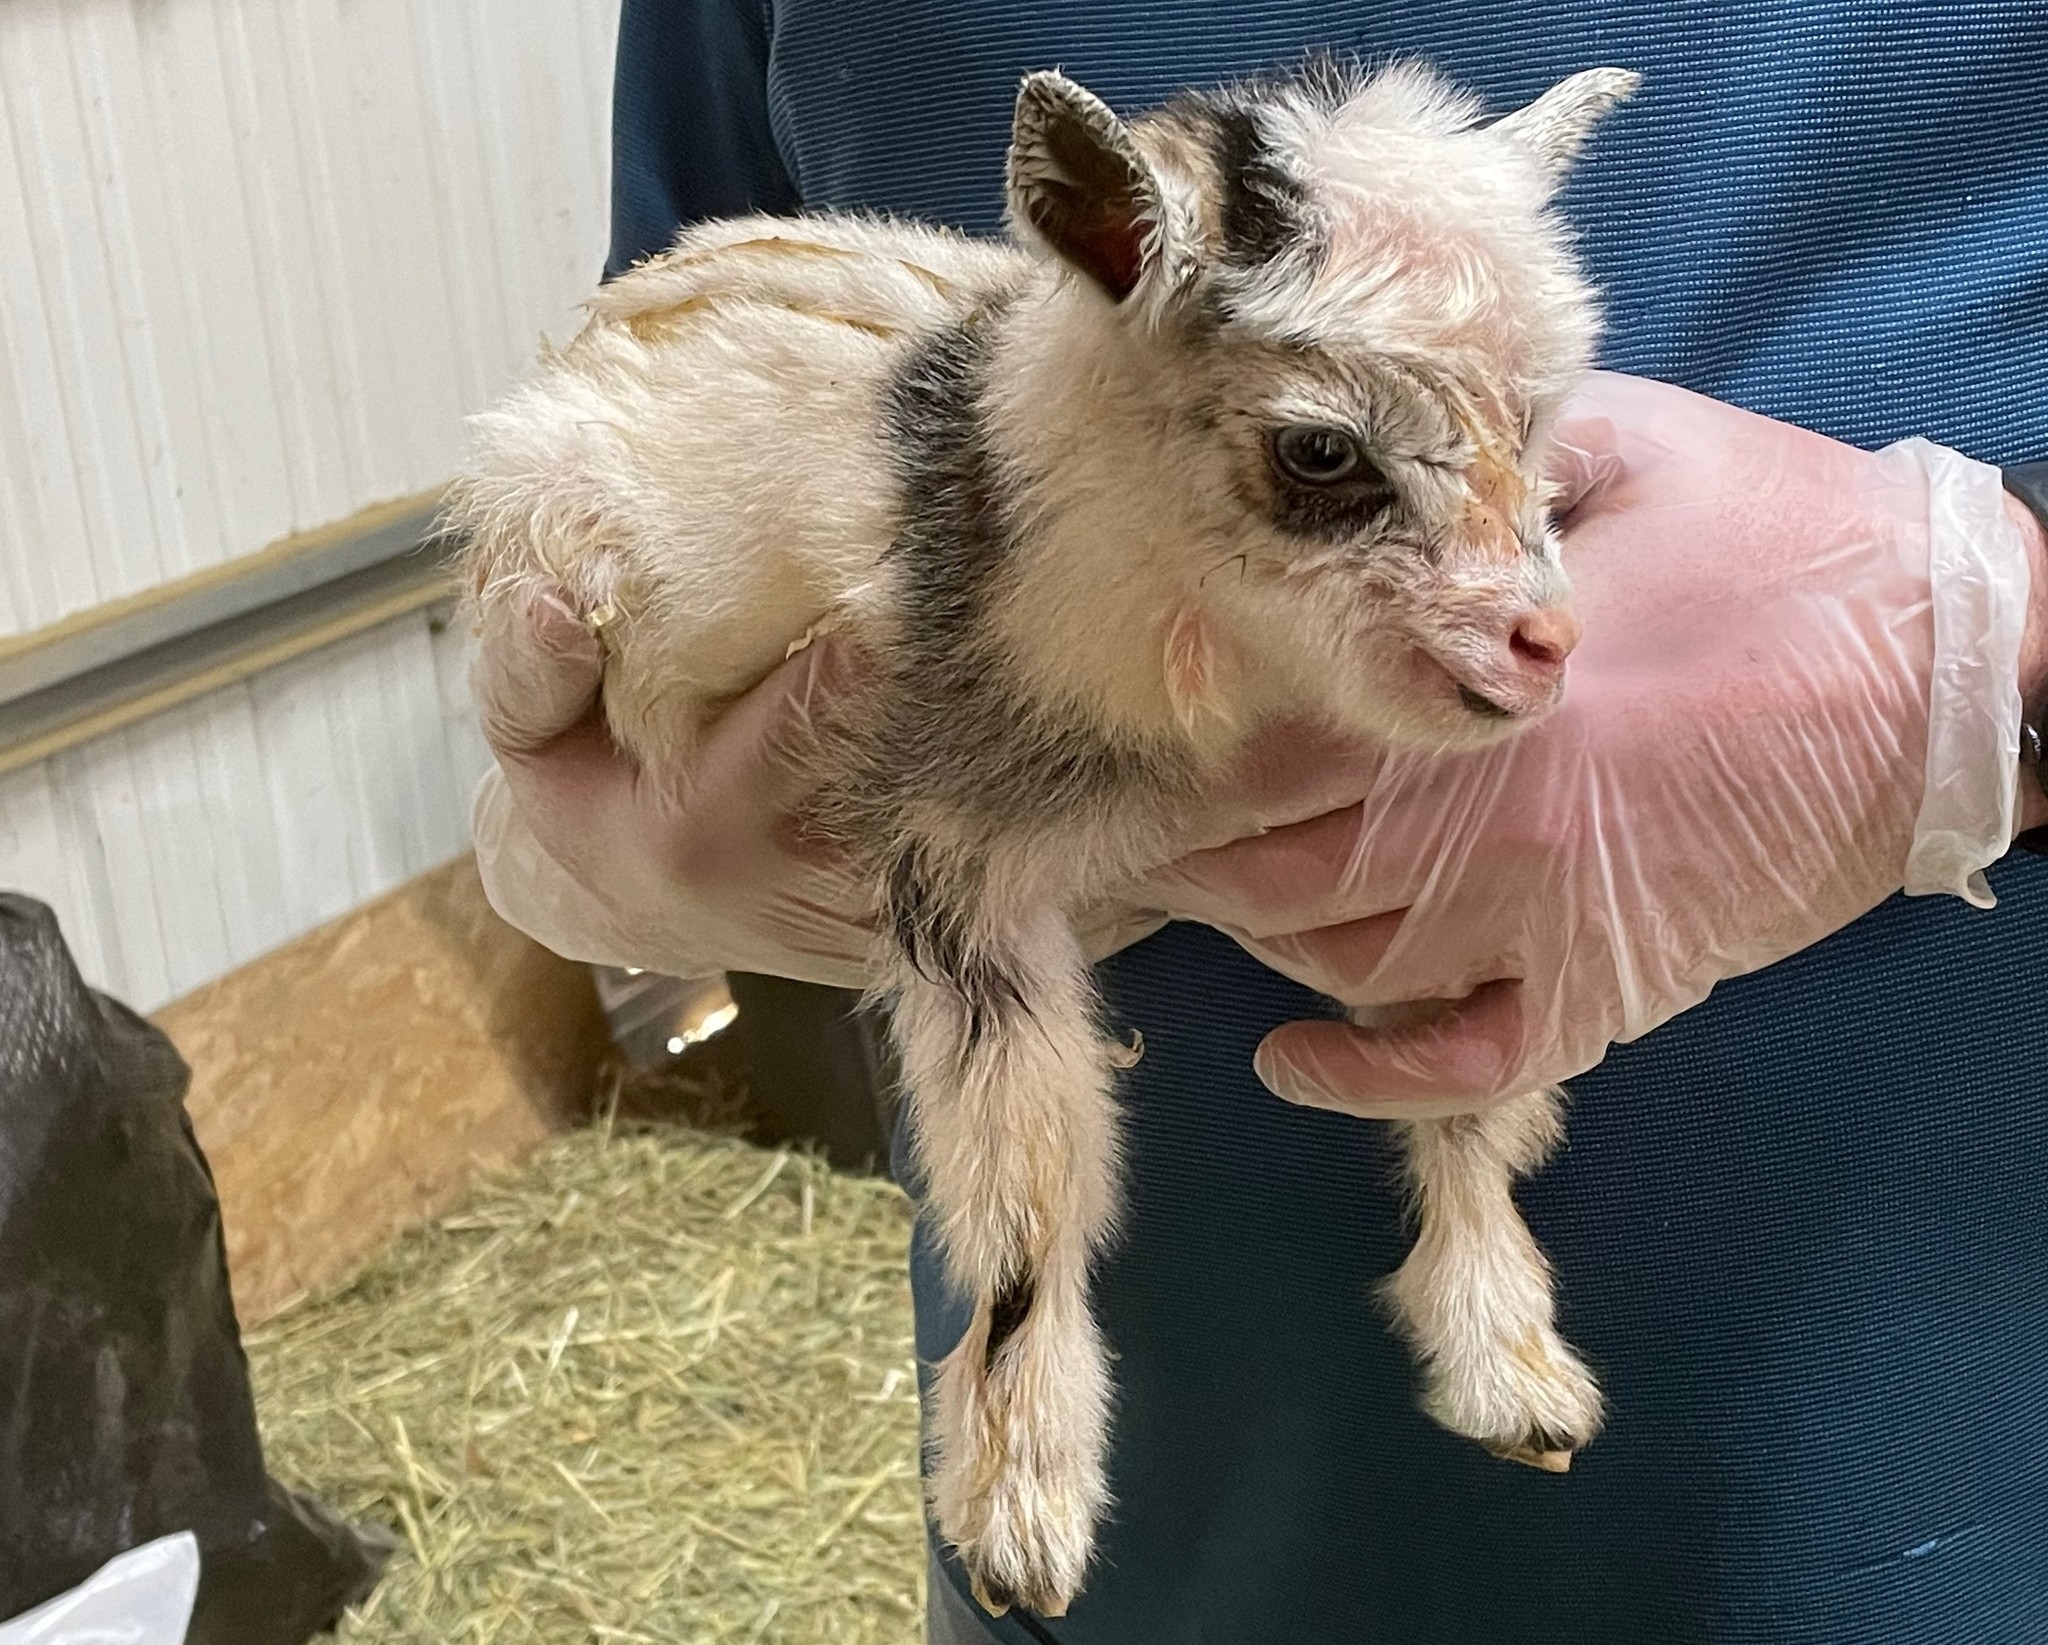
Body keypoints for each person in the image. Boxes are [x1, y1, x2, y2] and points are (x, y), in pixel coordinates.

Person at [469, 4, 2048, 1640]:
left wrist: (2009, 633)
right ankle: (1026, 1364)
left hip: (1944, 1479)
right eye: (1314, 457)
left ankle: (1474, 1241)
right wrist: (601, 793)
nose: (1543, 619)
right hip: (1146, 1561)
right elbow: (673, 332)